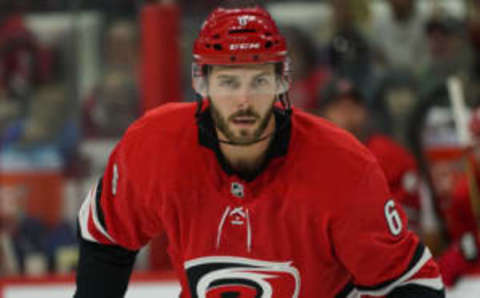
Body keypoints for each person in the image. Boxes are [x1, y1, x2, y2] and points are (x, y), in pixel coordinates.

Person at [74, 2, 445, 297]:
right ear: (200, 82)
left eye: (259, 80)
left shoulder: (341, 165)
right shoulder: (155, 146)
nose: (244, 100)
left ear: (282, 81)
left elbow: (410, 284)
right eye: (229, 82)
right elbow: (105, 237)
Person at [318, 78, 422, 233]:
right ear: (322, 115)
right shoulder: (315, 160)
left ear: (366, 112)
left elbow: (414, 214)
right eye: (339, 108)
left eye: (354, 106)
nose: (348, 114)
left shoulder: (389, 154)